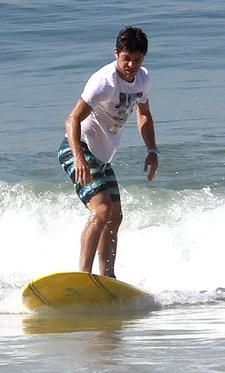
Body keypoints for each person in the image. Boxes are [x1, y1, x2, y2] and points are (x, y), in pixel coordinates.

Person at [58, 26, 159, 279]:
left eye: (137, 60)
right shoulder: (103, 82)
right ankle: (83, 276)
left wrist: (152, 149)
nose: (131, 65)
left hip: (102, 157)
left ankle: (107, 279)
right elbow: (72, 120)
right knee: (102, 210)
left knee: (115, 217)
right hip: (78, 148)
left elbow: (143, 113)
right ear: (116, 53)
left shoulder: (143, 79)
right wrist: (79, 157)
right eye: (126, 59)